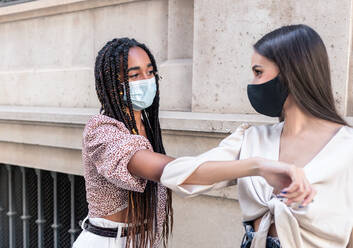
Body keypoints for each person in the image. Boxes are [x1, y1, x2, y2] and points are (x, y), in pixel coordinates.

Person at [74, 37, 315, 248]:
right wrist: (258, 166)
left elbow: (193, 169)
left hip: (143, 240)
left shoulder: (146, 127)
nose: (147, 80)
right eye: (134, 75)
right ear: (112, 85)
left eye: (150, 72)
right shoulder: (102, 131)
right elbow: (170, 171)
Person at [161, 24, 353, 248]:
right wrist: (257, 167)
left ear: (291, 73)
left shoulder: (346, 148)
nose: (252, 83)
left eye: (258, 72)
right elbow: (174, 175)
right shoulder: (252, 138)